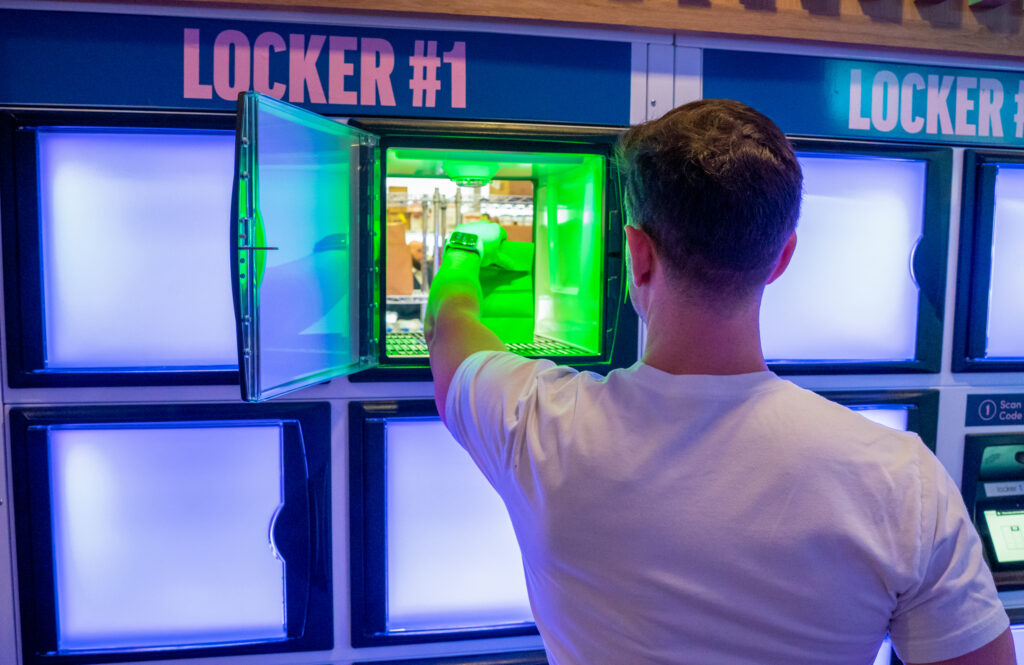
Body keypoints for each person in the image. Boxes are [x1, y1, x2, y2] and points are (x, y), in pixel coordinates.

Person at [424, 99, 1014, 665]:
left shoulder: (534, 424)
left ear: (638, 254)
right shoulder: (900, 478)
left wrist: (470, 240)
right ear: (783, 257)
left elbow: (448, 323)